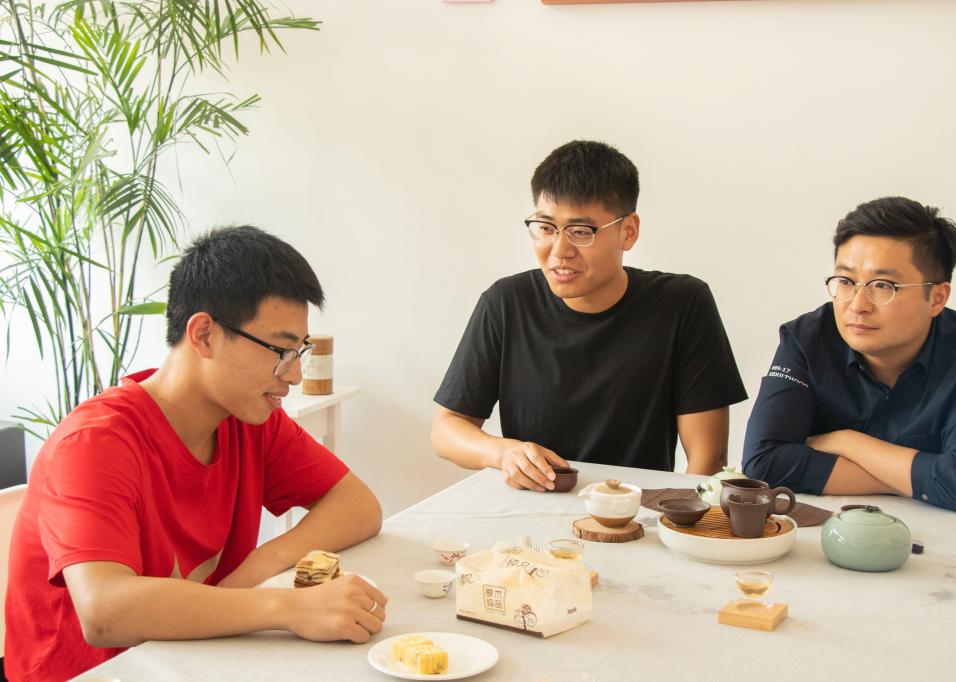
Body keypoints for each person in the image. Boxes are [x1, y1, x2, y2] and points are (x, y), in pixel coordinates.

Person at [5, 226, 387, 681]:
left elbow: (358, 505)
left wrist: (258, 566)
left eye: (298, 351)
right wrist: (288, 606)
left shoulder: (249, 419)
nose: (295, 375)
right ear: (204, 335)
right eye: (281, 350)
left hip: (199, 660)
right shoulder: (95, 444)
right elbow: (104, 610)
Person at [431, 140, 747, 491]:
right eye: (546, 228)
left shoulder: (682, 304)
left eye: (581, 232)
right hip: (532, 507)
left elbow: (707, 459)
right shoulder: (506, 303)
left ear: (628, 232)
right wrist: (503, 452)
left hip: (636, 511)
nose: (559, 251)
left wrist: (671, 516)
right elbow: (446, 428)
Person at [742, 196, 956, 514]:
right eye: (846, 281)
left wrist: (846, 441)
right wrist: (917, 481)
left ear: (937, 298)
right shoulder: (806, 339)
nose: (858, 305)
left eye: (884, 285)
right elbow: (763, 463)